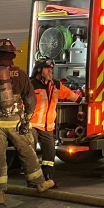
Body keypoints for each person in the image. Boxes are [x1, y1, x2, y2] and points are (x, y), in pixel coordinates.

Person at [0, 38, 54, 204]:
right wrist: (27, 117)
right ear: (12, 56)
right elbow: (31, 98)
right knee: (27, 152)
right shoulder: (20, 74)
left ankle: (0, 194)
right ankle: (38, 184)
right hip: (16, 122)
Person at [31, 59, 81, 187]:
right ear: (39, 70)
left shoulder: (54, 85)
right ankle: (32, 181)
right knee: (30, 154)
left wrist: (81, 100)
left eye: (51, 69)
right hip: (33, 125)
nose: (50, 71)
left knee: (49, 154)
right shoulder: (31, 85)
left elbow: (68, 93)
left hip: (48, 126)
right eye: (47, 68)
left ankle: (48, 178)